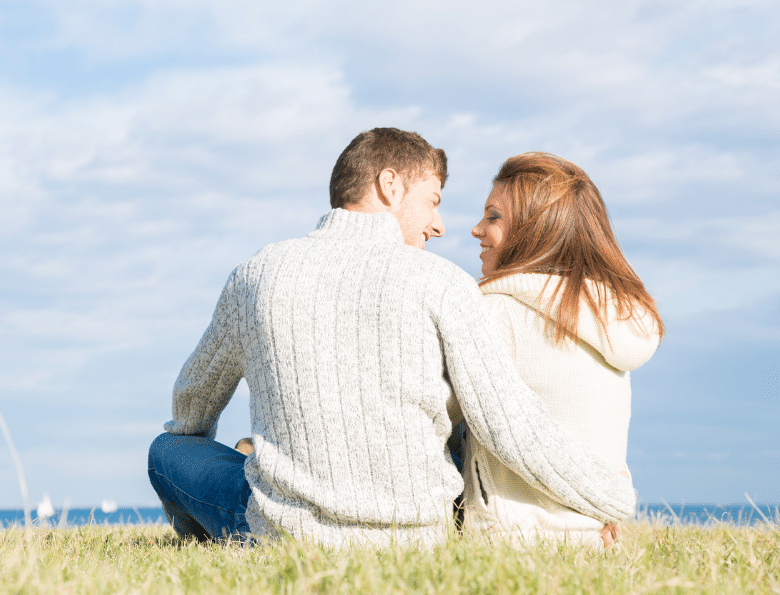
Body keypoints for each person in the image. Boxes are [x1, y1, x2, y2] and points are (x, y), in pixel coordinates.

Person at [147, 128, 637, 548]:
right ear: (389, 184)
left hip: (289, 534)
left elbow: (192, 406)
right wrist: (610, 497)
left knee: (168, 450)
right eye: (433, 200)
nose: (440, 225)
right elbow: (510, 425)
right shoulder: (445, 283)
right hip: (417, 536)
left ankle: (213, 542)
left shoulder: (255, 274)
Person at [465, 152, 663, 548]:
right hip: (595, 540)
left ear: (534, 230)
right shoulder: (610, 317)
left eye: (493, 217)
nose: (476, 229)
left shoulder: (496, 313)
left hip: (508, 541)